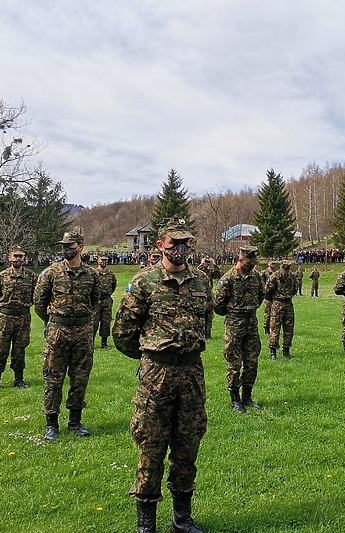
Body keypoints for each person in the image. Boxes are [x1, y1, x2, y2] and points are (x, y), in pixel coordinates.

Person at [112, 216, 212, 533]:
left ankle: (182, 520)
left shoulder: (201, 282)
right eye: (174, 243)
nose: (180, 248)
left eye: (185, 243)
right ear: (160, 245)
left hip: (192, 374)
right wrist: (151, 356)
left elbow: (205, 324)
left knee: (187, 447)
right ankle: (146, 525)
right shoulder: (143, 283)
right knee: (151, 448)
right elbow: (122, 334)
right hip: (156, 375)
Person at [33, 227, 100, 441]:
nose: (66, 250)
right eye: (63, 247)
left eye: (69, 247)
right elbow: (39, 303)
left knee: (80, 378)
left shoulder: (91, 274)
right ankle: (51, 423)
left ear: (80, 247)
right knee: (53, 378)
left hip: (82, 333)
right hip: (57, 333)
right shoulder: (51, 273)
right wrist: (55, 322)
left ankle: (75, 422)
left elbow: (95, 301)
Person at [213, 245, 264, 413]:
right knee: (234, 364)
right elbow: (218, 305)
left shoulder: (256, 276)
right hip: (235, 325)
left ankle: (247, 397)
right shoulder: (227, 279)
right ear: (240, 259)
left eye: (253, 263)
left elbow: (261, 296)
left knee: (251, 362)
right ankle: (235, 399)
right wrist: (234, 312)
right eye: (248, 263)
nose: (251, 266)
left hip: (251, 324)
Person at [0, 246, 37, 389]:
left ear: (24, 258)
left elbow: (38, 294)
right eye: (15, 256)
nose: (18, 259)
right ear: (10, 258)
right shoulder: (1, 276)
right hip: (5, 318)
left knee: (19, 348)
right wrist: (3, 308)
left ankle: (19, 380)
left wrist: (27, 304)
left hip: (23, 317)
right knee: (1, 348)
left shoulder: (31, 277)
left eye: (20, 256)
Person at [265, 259, 296, 360]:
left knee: (287, 328)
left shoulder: (291, 276)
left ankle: (285, 350)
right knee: (275, 327)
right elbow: (268, 291)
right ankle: (274, 351)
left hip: (283, 303)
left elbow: (295, 289)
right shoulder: (275, 276)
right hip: (279, 303)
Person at [92, 255, 117, 349]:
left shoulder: (111, 274)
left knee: (106, 322)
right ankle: (91, 343)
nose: (104, 262)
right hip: (96, 301)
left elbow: (113, 285)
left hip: (107, 301)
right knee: (94, 322)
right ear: (98, 261)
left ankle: (104, 343)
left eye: (106, 260)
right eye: (102, 260)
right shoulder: (94, 273)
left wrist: (107, 294)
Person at [197, 256, 221, 338]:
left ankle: (208, 333)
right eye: (205, 261)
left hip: (209, 294)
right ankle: (201, 333)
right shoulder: (199, 270)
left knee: (209, 314)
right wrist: (201, 264)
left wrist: (214, 265)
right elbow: (196, 273)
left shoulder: (210, 271)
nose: (206, 263)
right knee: (201, 314)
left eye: (207, 262)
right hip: (199, 294)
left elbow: (218, 275)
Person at [260, 260, 277, 335]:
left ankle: (273, 328)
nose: (273, 265)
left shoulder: (276, 273)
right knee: (267, 313)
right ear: (268, 264)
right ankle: (266, 328)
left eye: (274, 264)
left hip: (275, 295)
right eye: (272, 263)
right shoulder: (264, 272)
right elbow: (261, 282)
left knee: (275, 313)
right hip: (267, 295)